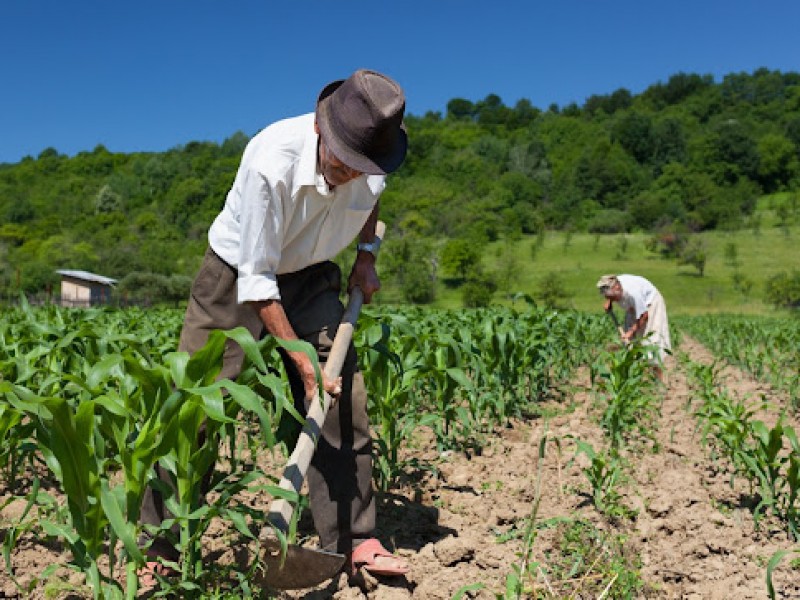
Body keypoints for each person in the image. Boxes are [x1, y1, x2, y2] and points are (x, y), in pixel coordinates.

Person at [139, 69, 410, 586]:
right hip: (238, 273)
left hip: (313, 274)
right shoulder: (270, 161)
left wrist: (367, 256)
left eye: (363, 167)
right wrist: (298, 359)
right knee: (196, 404)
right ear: (320, 129)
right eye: (343, 162)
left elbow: (372, 202)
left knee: (340, 400)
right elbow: (257, 281)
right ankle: (158, 545)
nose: (352, 174)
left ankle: (354, 541)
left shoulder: (375, 160)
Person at [596, 274, 671, 379]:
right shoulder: (614, 284)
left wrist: (631, 332)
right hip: (633, 306)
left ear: (617, 288)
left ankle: (657, 380)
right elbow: (610, 292)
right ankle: (636, 378)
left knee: (651, 341)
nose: (613, 299)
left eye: (613, 297)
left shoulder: (633, 292)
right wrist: (610, 301)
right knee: (630, 343)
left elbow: (644, 315)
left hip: (651, 305)